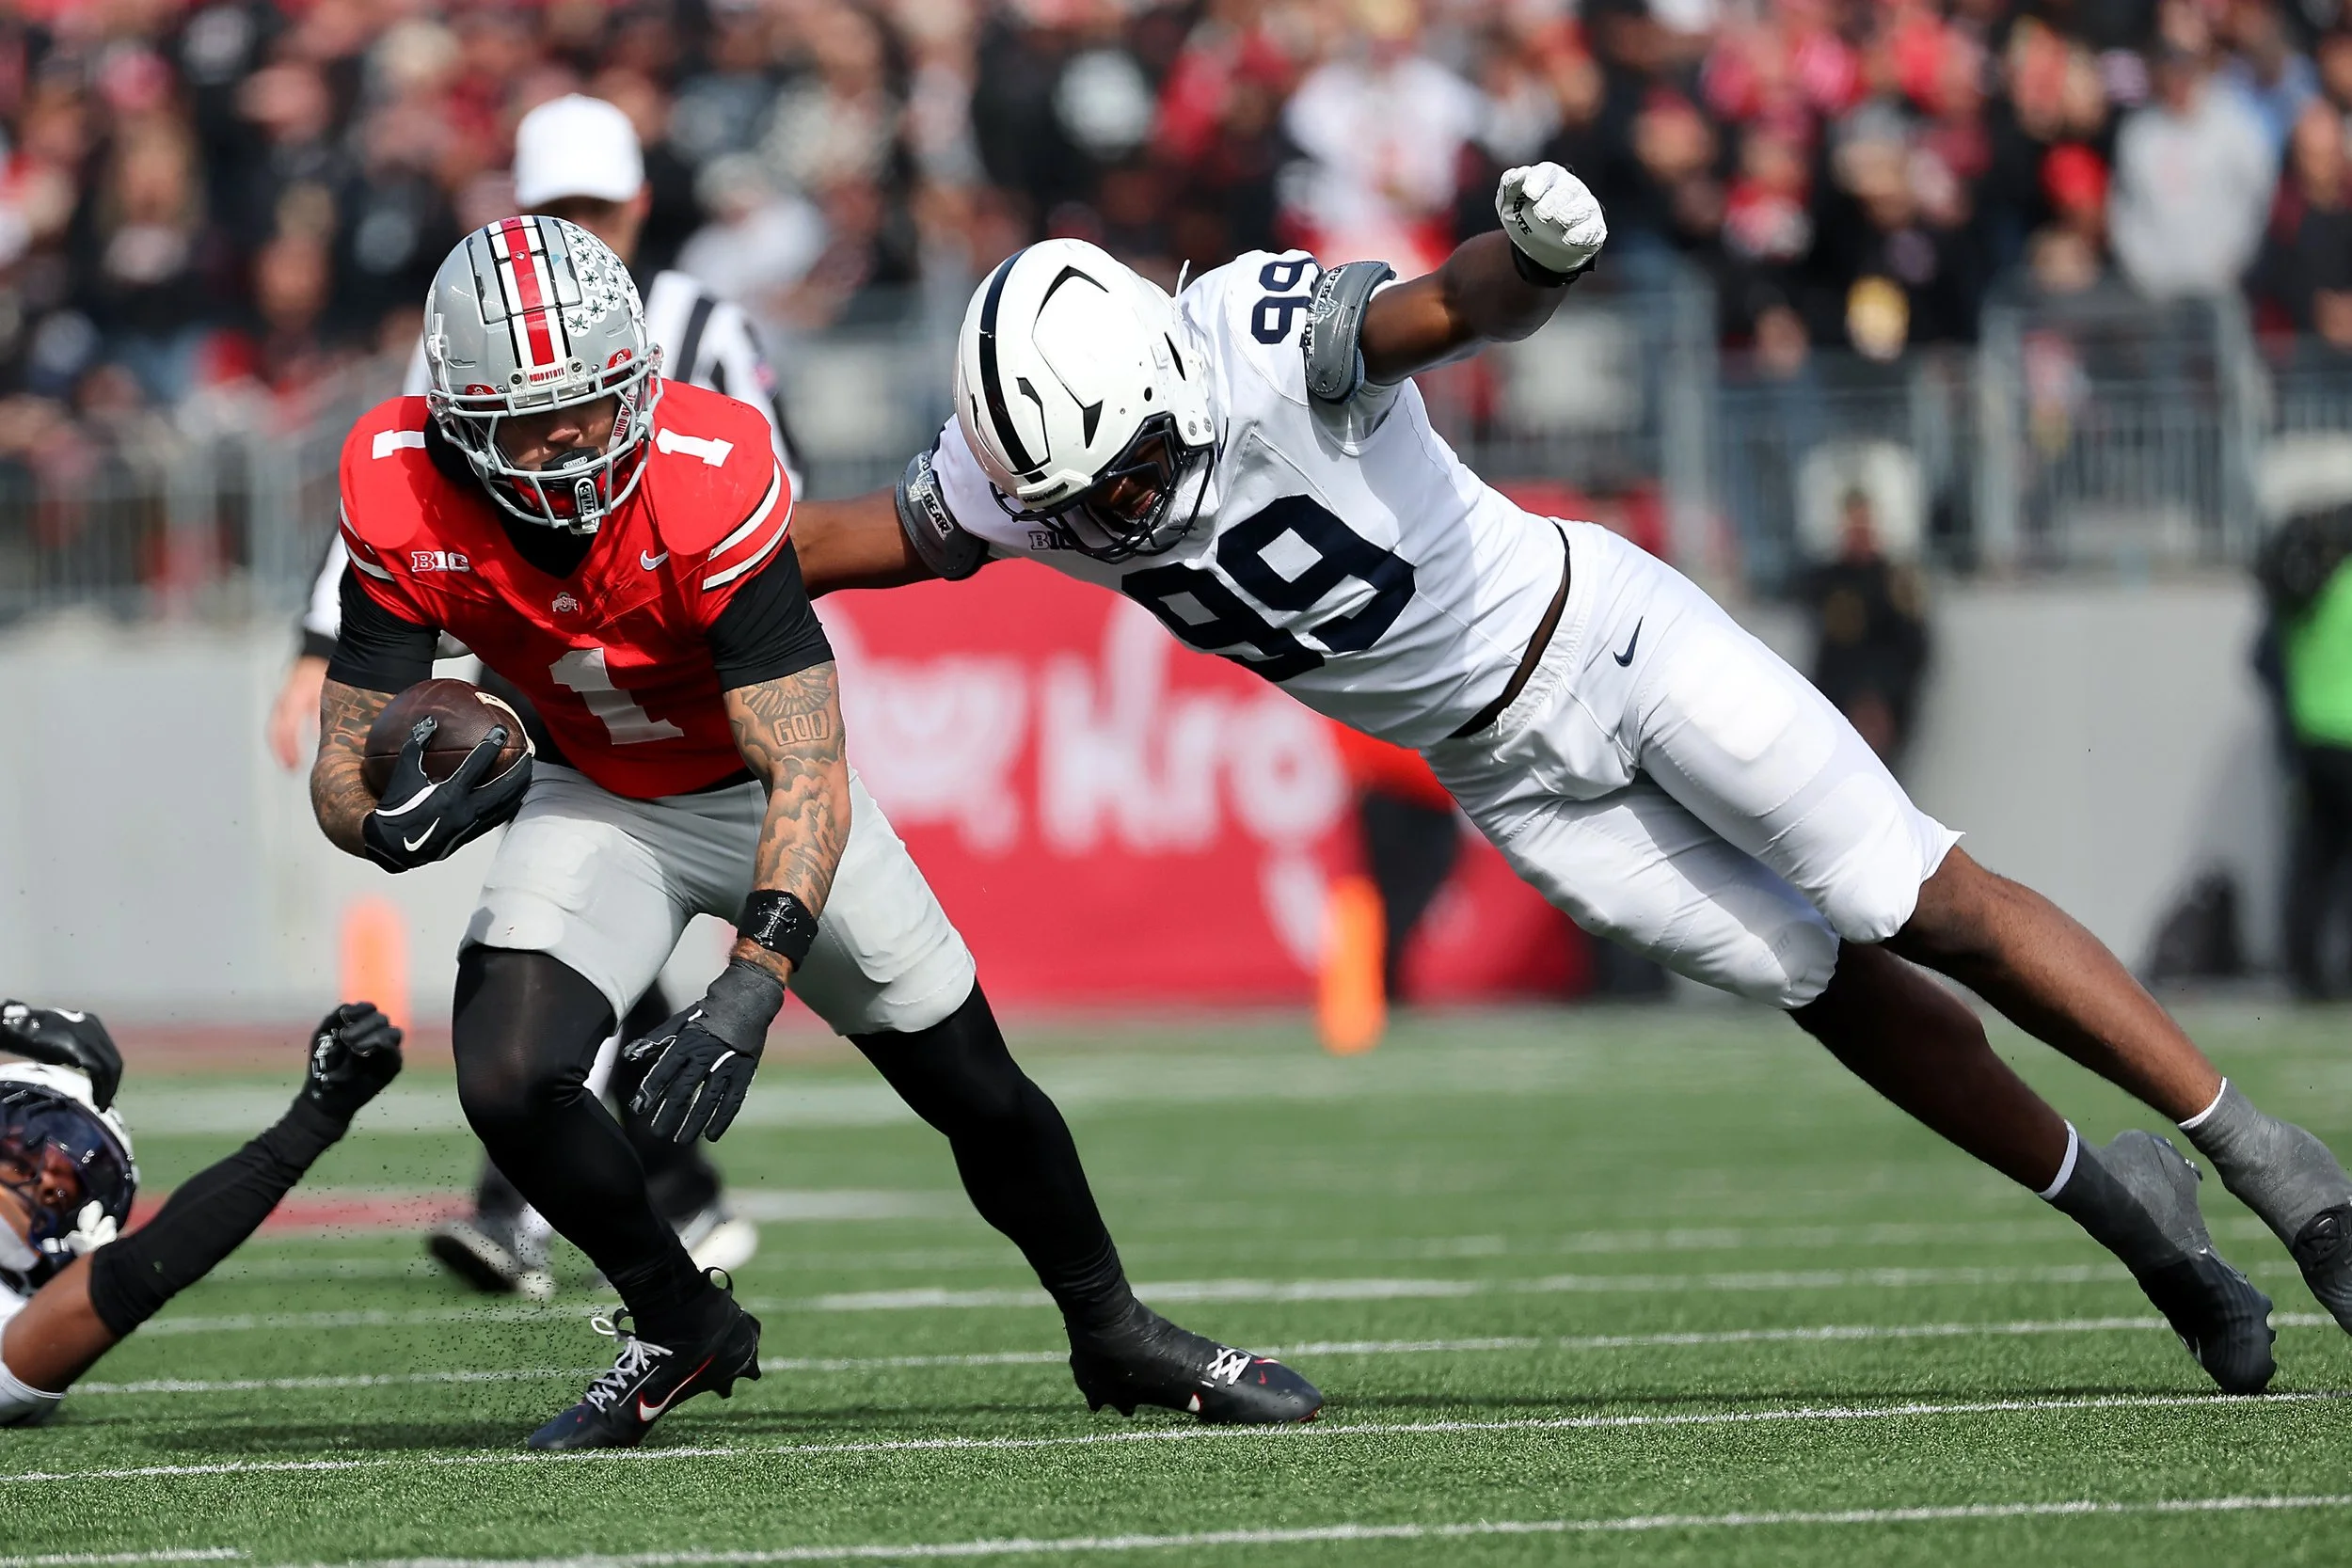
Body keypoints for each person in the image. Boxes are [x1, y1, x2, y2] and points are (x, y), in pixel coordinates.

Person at [787, 162, 2352, 1396]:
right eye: (1080, 493)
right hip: (1511, 779)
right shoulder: (1028, 482)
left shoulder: (1251, 341)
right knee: (1817, 977)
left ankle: (2265, 1155)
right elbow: (856, 543)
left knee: (1911, 894)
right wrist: (669, 564)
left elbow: (1438, 312)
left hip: (1604, 636)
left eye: (1125, 466)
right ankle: (2130, 1215)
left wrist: (1528, 263)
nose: (1117, 510)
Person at [308, 216, 1319, 1450]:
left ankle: (1114, 1328)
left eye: (597, 401)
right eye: (536, 419)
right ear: (461, 414)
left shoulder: (706, 466)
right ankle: (679, 1318)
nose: (574, 439)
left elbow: (810, 764)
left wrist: (749, 985)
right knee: (509, 1078)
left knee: (976, 1089)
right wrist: (386, 823)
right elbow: (342, 756)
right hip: (592, 790)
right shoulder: (397, 477)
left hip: (757, 791)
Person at [263, 95, 808, 1301]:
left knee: (619, 922)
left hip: (685, 657)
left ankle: (615, 1191)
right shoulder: (473, 339)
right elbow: (397, 491)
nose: (582, 228)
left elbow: (763, 487)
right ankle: (595, 1193)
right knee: (566, 921)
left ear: (637, 207)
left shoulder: (698, 323)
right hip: (539, 661)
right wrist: (324, 643)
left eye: (596, 208)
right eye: (557, 209)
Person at [1, 999, 404, 1425]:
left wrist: (312, 1123)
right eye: (24, 1151)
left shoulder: (16, 1331)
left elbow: (134, 1274)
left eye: (66, 1192)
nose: (45, 1183)